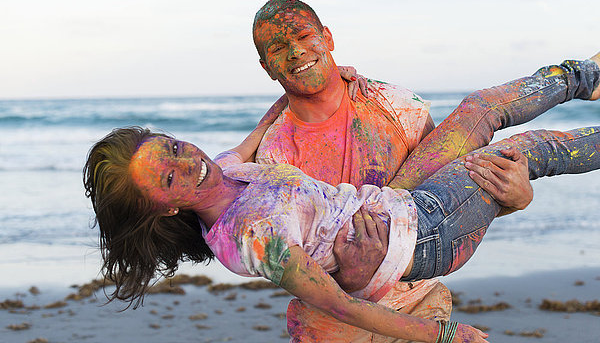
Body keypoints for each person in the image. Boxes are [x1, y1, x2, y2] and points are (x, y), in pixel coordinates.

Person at [250, 0, 600, 341]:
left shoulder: (395, 105)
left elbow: (448, 204)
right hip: (334, 330)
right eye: (278, 47)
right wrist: (352, 277)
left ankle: (587, 76)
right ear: (266, 67)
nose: (295, 51)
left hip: (422, 305)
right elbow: (293, 266)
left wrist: (517, 198)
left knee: (503, 133)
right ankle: (585, 77)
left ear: (326, 37)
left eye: (302, 36)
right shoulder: (274, 157)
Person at [84, 118, 600, 343]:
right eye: (168, 179)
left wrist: (284, 101)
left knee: (512, 139)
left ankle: (581, 80)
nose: (187, 163)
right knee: (528, 149)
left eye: (174, 148)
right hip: (420, 239)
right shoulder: (253, 238)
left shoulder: (230, 173)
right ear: (163, 210)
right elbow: (339, 304)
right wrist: (445, 336)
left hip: (411, 216)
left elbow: (247, 144)